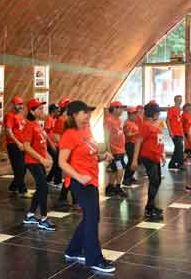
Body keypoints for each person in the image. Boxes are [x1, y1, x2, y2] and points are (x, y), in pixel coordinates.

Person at [59, 100, 116, 273]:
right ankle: (94, 259)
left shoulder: (87, 130)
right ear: (74, 115)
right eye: (84, 113)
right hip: (79, 182)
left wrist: (102, 156)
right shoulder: (69, 134)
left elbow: (90, 155)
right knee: (92, 219)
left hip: (91, 179)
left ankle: (73, 250)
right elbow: (61, 162)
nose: (88, 115)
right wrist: (78, 177)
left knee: (92, 218)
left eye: (89, 112)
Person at [22, 99, 55, 231]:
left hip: (39, 161)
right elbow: (26, 147)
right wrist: (42, 159)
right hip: (33, 162)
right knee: (44, 189)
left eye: (43, 108)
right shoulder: (29, 126)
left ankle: (30, 215)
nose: (43, 111)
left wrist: (48, 157)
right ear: (32, 111)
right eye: (39, 109)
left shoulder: (38, 125)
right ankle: (43, 219)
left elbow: (42, 145)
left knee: (41, 188)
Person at [131, 102, 165, 220]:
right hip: (148, 157)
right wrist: (134, 160)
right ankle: (149, 209)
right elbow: (138, 142)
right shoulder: (146, 126)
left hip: (156, 157)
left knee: (157, 180)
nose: (159, 115)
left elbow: (159, 142)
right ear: (154, 114)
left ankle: (151, 206)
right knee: (154, 180)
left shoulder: (156, 126)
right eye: (158, 113)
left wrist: (162, 155)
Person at [53, 97, 77, 208]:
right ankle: (66, 198)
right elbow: (56, 136)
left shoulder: (70, 119)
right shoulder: (61, 120)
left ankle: (68, 198)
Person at [4, 96, 27, 195]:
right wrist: (17, 143)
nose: (20, 106)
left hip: (22, 145)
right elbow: (8, 131)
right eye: (18, 104)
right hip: (13, 145)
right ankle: (22, 189)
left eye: (21, 104)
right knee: (19, 168)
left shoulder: (21, 116)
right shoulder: (10, 116)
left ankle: (13, 187)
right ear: (13, 105)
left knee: (24, 168)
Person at [104, 101, 127, 197]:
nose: (122, 110)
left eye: (122, 108)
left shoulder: (119, 120)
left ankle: (110, 187)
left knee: (114, 169)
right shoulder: (109, 120)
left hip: (120, 150)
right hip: (115, 150)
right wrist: (109, 151)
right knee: (120, 168)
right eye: (120, 108)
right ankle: (118, 187)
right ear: (114, 109)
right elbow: (106, 136)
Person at [45, 104, 62, 188]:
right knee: (58, 162)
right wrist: (51, 145)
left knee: (56, 162)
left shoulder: (55, 120)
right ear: (53, 111)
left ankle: (48, 179)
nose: (59, 112)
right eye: (57, 111)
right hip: (51, 145)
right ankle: (57, 182)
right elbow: (46, 134)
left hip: (56, 145)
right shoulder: (49, 119)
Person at [167, 95, 184, 171]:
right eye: (178, 100)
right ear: (175, 100)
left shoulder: (180, 110)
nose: (180, 101)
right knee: (179, 147)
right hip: (174, 132)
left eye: (181, 100)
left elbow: (180, 122)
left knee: (178, 148)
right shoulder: (171, 109)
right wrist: (170, 131)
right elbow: (167, 120)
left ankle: (172, 164)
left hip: (180, 132)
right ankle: (180, 164)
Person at [123, 107, 139, 186]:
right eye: (134, 114)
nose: (135, 115)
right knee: (131, 162)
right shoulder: (128, 123)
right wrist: (138, 133)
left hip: (134, 144)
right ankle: (126, 178)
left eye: (136, 114)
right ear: (129, 114)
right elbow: (128, 134)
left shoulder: (133, 123)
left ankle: (130, 176)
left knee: (134, 161)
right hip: (129, 144)